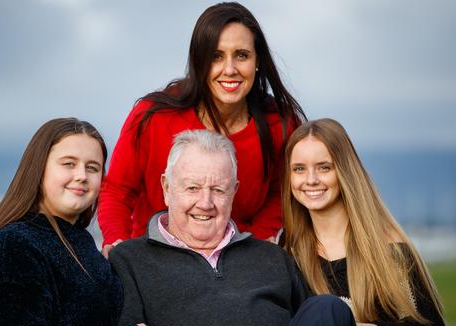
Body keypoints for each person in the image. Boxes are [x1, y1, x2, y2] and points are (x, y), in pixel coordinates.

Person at [0, 118, 190, 326]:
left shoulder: (82, 244)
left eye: (93, 168)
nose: (81, 176)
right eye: (68, 164)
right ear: (39, 168)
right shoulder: (12, 247)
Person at [110, 129, 356, 326]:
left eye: (218, 190)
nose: (205, 203)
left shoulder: (272, 256)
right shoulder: (130, 260)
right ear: (166, 188)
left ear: (233, 192)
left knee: (328, 307)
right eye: (192, 188)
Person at [98, 2, 305, 256]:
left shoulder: (280, 125)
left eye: (241, 55)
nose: (229, 69)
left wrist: (254, 248)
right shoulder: (153, 115)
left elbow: (280, 194)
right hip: (154, 261)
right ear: (199, 61)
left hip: (236, 263)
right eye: (216, 56)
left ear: (257, 60)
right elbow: (117, 191)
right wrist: (118, 246)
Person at [280, 119, 447, 326]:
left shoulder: (389, 249)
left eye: (324, 167)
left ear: (345, 171)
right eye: (299, 169)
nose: (311, 179)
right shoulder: (284, 252)